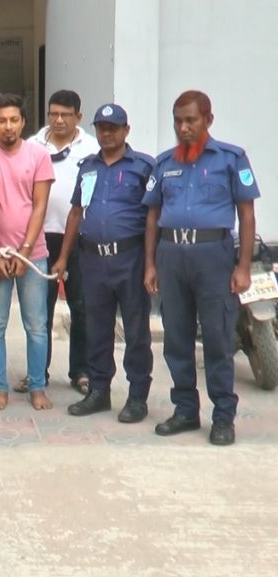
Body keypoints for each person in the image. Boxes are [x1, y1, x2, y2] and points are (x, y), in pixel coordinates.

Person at [144, 90, 259, 446]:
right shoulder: (164, 163)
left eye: (191, 120)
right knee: (176, 337)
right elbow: (152, 215)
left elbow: (247, 214)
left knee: (217, 339)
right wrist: (150, 264)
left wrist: (243, 267)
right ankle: (185, 410)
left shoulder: (231, 159)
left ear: (208, 119)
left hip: (213, 257)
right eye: (178, 121)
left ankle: (223, 416)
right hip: (171, 255)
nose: (183, 127)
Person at [52, 103, 154, 423]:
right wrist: (63, 257)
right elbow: (76, 213)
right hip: (93, 260)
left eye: (113, 128)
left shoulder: (143, 167)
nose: (107, 134)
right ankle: (99, 391)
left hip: (130, 259)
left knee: (135, 331)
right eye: (102, 128)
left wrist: (152, 263)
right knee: (96, 328)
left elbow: (154, 216)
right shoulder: (88, 167)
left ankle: (137, 396)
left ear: (126, 130)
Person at [0, 93, 55, 411]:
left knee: (36, 325)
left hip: (33, 255)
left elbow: (40, 206)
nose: (8, 126)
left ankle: (37, 386)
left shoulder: (39, 156)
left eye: (14, 120)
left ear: (23, 122)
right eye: (2, 120)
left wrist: (23, 252)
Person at [27, 89, 99, 394]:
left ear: (78, 117)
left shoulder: (92, 148)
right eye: (54, 114)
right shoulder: (32, 145)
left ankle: (81, 371)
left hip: (80, 238)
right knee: (38, 309)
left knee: (81, 307)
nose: (58, 120)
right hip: (39, 237)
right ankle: (37, 372)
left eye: (66, 115)